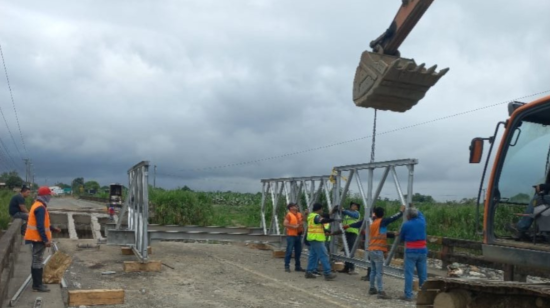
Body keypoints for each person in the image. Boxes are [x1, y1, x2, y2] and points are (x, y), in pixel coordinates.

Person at [345, 205, 405, 299]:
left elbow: (382, 234)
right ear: (383, 214)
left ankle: (372, 288)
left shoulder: (374, 224)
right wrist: (401, 211)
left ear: (375, 215)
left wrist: (393, 234)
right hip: (378, 250)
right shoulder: (382, 221)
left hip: (372, 250)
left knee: (373, 270)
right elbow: (393, 218)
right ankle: (381, 291)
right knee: (379, 272)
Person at [24, 186, 61, 292]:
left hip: (36, 238)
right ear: (45, 196)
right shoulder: (40, 208)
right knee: (37, 261)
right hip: (38, 239)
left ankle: (37, 284)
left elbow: (43, 224)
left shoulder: (38, 205)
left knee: (36, 260)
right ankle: (37, 285)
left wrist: (52, 228)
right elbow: (40, 226)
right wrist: (46, 240)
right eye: (49, 195)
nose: (50, 198)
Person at [399, 205, 427, 302]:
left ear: (409, 216)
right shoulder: (422, 221)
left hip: (411, 251)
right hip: (422, 250)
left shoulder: (406, 225)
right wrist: (412, 207)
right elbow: (420, 214)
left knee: (409, 274)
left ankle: (408, 295)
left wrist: (404, 210)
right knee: (423, 274)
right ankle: (424, 295)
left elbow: (401, 238)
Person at [304, 203, 337, 281]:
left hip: (312, 238)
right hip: (317, 239)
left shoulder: (311, 216)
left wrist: (325, 230)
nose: (322, 211)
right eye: (321, 209)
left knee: (313, 255)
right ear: (319, 209)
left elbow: (318, 225)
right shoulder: (316, 216)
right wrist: (333, 219)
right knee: (324, 255)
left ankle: (309, 271)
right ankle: (327, 273)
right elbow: (323, 220)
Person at [336, 202, 360, 274]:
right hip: (346, 233)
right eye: (352, 205)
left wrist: (343, 210)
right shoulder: (346, 214)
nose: (353, 206)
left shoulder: (357, 213)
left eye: (354, 206)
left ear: (357, 208)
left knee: (350, 250)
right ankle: (346, 267)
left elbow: (352, 215)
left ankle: (352, 268)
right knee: (346, 251)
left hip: (353, 233)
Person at [283, 203, 305, 273]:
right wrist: (293, 226)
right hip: (291, 235)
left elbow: (303, 219)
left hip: (298, 235)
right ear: (291, 208)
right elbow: (285, 224)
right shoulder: (289, 215)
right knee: (289, 251)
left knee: (298, 252)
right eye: (295, 206)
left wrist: (306, 214)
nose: (296, 207)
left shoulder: (299, 214)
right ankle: (287, 266)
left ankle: (297, 267)